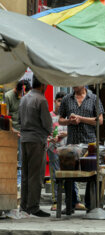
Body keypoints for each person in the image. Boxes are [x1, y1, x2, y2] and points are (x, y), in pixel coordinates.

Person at [59, 86, 104, 212]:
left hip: (89, 142)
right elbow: (60, 120)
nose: (74, 86)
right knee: (69, 174)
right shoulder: (67, 99)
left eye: (77, 83)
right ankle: (70, 204)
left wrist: (81, 119)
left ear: (83, 83)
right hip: (72, 143)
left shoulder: (94, 98)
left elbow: (99, 120)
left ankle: (90, 205)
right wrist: (69, 121)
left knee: (91, 173)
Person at [18, 76, 52, 217]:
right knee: (36, 174)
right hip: (37, 139)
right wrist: (48, 133)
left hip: (24, 139)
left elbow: (19, 119)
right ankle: (33, 206)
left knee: (25, 174)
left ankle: (24, 205)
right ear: (43, 84)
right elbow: (47, 124)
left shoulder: (24, 98)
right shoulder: (41, 100)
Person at [47, 92, 85, 212]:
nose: (61, 103)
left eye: (63, 101)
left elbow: (79, 130)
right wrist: (51, 138)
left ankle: (76, 201)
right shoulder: (49, 116)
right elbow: (45, 132)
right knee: (55, 176)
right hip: (54, 149)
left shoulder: (71, 116)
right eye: (59, 101)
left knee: (72, 175)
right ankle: (55, 201)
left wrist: (67, 134)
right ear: (54, 102)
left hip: (69, 150)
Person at [5, 80, 32, 189]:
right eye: (23, 93)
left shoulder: (25, 98)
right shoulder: (8, 96)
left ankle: (21, 180)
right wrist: (13, 131)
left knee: (23, 156)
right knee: (12, 157)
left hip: (24, 130)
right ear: (20, 89)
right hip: (12, 130)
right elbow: (5, 117)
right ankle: (14, 180)